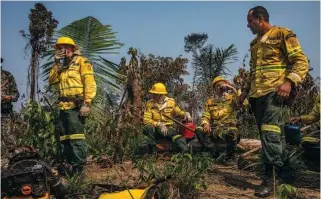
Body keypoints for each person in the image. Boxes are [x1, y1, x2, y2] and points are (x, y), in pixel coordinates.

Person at [238, 6, 309, 198]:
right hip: (256, 95)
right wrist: (244, 92)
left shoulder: (282, 34)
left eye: (250, 21)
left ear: (260, 19)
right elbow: (252, 71)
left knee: (270, 133)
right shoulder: (254, 44)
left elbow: (301, 61)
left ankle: (272, 178)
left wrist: (288, 82)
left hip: (275, 92)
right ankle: (286, 172)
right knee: (266, 135)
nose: (248, 25)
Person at [49, 36, 97, 175]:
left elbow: (90, 82)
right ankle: (69, 167)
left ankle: (78, 170)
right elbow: (51, 81)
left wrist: (87, 103)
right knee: (65, 139)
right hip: (63, 107)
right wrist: (56, 63)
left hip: (76, 107)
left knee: (76, 138)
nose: (62, 50)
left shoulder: (82, 62)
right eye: (59, 48)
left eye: (64, 47)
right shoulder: (61, 66)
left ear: (71, 48)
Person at [195, 76, 247, 160]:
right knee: (198, 129)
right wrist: (205, 124)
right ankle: (213, 152)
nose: (220, 87)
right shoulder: (210, 101)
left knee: (233, 132)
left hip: (228, 127)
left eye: (222, 85)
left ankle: (228, 157)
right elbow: (205, 115)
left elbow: (245, 104)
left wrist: (233, 89)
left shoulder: (231, 98)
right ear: (214, 88)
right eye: (218, 86)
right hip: (215, 129)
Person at [143, 82, 192, 154]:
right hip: (155, 129)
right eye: (153, 93)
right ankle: (152, 150)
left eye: (155, 94)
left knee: (179, 138)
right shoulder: (150, 104)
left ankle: (185, 153)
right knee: (148, 127)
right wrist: (159, 124)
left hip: (168, 128)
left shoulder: (171, 102)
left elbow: (178, 112)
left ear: (161, 95)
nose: (153, 95)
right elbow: (146, 120)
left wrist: (185, 114)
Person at [1, 58, 20, 156]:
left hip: (5, 113)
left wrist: (10, 97)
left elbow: (16, 94)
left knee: (8, 138)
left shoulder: (7, 76)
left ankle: (13, 163)